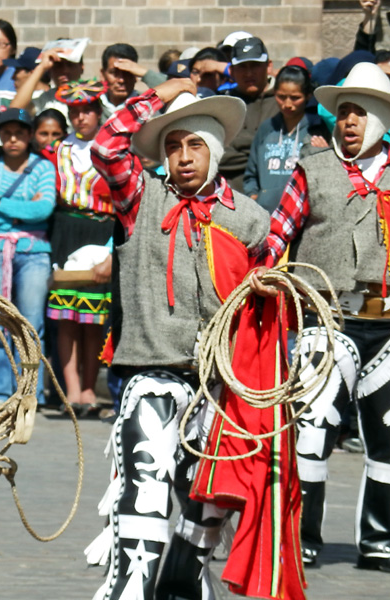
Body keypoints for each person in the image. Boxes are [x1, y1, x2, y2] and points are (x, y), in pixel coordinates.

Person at [86, 78, 271, 599]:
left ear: (213, 151)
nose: (182, 157)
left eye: (194, 145)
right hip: (152, 373)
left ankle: (182, 590)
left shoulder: (252, 220)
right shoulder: (141, 197)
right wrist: (161, 96)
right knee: (145, 490)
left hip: (223, 385)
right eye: (172, 145)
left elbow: (268, 314)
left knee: (208, 506)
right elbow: (105, 147)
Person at [249, 61, 390, 573]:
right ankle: (303, 538)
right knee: (312, 432)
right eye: (343, 113)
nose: (349, 122)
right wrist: (261, 272)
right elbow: (277, 233)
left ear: (382, 118)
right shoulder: (311, 170)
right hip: (325, 316)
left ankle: (381, 542)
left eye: (360, 113)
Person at [0, 108, 56, 408]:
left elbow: (44, 209)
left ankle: (29, 391)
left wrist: (0, 204)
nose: (14, 139)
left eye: (20, 133)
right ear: (0, 135)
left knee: (31, 324)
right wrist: (21, 207)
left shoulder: (43, 168)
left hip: (34, 255)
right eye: (7, 133)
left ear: (30, 135)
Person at [45, 80, 114, 416]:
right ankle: (71, 390)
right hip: (66, 230)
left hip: (103, 230)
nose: (81, 116)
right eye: (75, 111)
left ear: (99, 111)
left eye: (87, 110)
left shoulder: (114, 147)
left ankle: (89, 388)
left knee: (93, 317)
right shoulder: (57, 150)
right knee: (66, 317)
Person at [244, 64, 330, 212]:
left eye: (295, 98)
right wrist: (255, 198)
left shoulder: (318, 129)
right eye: (281, 97)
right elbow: (251, 174)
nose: (287, 104)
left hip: (303, 217)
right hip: (266, 216)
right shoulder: (267, 128)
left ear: (308, 96)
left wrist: (324, 154)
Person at [219, 36, 279, 192]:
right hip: (234, 197)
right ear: (231, 70)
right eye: (242, 67)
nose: (249, 73)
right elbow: (218, 155)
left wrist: (238, 141)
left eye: (255, 65)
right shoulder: (224, 104)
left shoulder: (284, 102)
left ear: (269, 66)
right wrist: (262, 150)